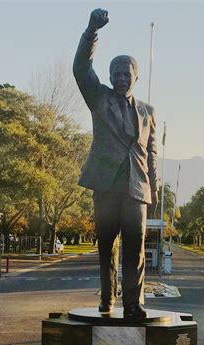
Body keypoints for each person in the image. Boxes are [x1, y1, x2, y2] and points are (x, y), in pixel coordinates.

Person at [73, 8, 158, 320]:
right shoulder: (99, 98)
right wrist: (91, 32)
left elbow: (151, 154)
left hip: (137, 188)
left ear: (136, 77)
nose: (122, 78)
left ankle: (134, 304)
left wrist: (155, 189)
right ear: (110, 77)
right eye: (117, 74)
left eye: (127, 74)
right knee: (106, 246)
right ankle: (107, 300)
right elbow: (81, 68)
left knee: (135, 249)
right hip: (106, 184)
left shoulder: (148, 111)